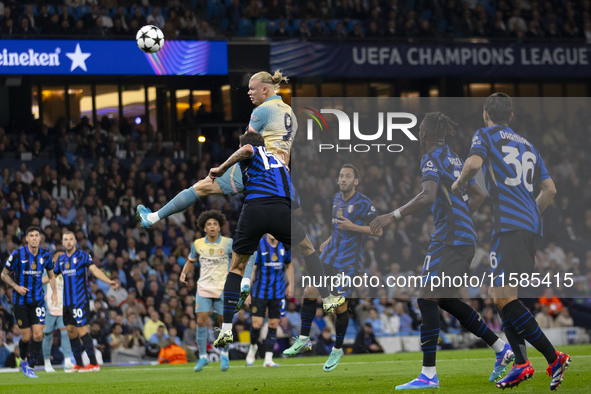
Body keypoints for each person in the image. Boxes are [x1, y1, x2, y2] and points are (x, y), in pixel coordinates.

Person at [371, 113, 514, 390]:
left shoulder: (431, 158)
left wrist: (393, 214)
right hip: (464, 237)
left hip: (449, 239)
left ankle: (428, 374)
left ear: (425, 134)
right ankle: (500, 347)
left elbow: (428, 195)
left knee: (426, 298)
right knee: (445, 299)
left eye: (420, 129)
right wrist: (461, 217)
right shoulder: (455, 158)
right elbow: (480, 195)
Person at [451, 93, 569, 390]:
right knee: (503, 295)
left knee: (502, 297)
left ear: (485, 114)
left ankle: (552, 358)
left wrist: (459, 183)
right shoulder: (527, 144)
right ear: (512, 116)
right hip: (530, 227)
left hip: (510, 228)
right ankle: (520, 363)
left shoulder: (485, 134)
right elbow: (550, 190)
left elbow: (474, 164)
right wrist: (531, 213)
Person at [211, 132, 344, 349]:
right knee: (308, 249)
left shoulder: (251, 151)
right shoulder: (280, 162)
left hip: (255, 209)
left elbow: (245, 151)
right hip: (281, 210)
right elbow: (295, 198)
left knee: (236, 268)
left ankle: (226, 329)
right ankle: (328, 297)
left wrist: (221, 168)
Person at [137, 70, 295, 228]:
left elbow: (246, 145)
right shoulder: (290, 113)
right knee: (281, 229)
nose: (248, 92)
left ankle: (152, 218)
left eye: (252, 88)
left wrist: (222, 167)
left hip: (257, 169)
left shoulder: (261, 111)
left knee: (200, 188)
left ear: (265, 90)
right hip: (280, 176)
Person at [283, 164, 381, 373]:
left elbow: (378, 231)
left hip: (348, 262)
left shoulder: (364, 203)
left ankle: (337, 349)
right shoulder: (336, 198)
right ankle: (303, 338)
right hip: (328, 256)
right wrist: (329, 239)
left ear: (356, 181)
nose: (343, 179)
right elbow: (338, 226)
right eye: (341, 176)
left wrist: (353, 227)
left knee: (340, 307)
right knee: (309, 291)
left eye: (347, 176)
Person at [180, 209, 253, 372]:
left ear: (220, 227)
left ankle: (225, 354)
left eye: (215, 224)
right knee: (200, 321)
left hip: (224, 288)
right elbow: (191, 260)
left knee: (223, 322)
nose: (212, 227)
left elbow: (239, 261)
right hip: (204, 287)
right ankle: (203, 357)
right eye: (209, 224)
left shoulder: (228, 243)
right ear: (204, 228)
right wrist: (184, 273)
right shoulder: (197, 244)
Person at [54, 230, 118, 372]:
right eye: (66, 239)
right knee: (70, 331)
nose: (68, 241)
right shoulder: (61, 260)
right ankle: (79, 364)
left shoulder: (83, 256)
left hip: (80, 300)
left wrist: (109, 281)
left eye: (71, 239)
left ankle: (94, 363)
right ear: (63, 242)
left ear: (75, 241)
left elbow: (94, 270)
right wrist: (37, 282)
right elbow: (52, 275)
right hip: (66, 302)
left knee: (82, 331)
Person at [1, 226, 58, 378]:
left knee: (39, 335)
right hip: (20, 302)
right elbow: (4, 274)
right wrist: (15, 286)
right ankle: (23, 359)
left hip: (38, 300)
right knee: (26, 337)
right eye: (31, 235)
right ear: (26, 238)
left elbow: (52, 276)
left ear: (40, 238)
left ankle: (31, 367)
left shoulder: (45, 255)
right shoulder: (17, 254)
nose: (34, 238)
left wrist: (54, 294)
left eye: (36, 235)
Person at [246, 234, 292, 367]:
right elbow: (253, 268)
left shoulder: (284, 246)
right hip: (260, 292)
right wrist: (248, 291)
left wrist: (290, 285)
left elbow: (289, 265)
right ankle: (253, 346)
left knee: (273, 324)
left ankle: (268, 359)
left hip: (278, 292)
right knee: (256, 324)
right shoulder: (259, 246)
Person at [41, 254, 74, 373]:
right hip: (49, 307)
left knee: (66, 333)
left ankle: (68, 361)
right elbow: (40, 285)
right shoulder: (46, 272)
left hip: (62, 308)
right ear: (54, 259)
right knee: (48, 335)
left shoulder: (67, 273)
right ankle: (47, 362)